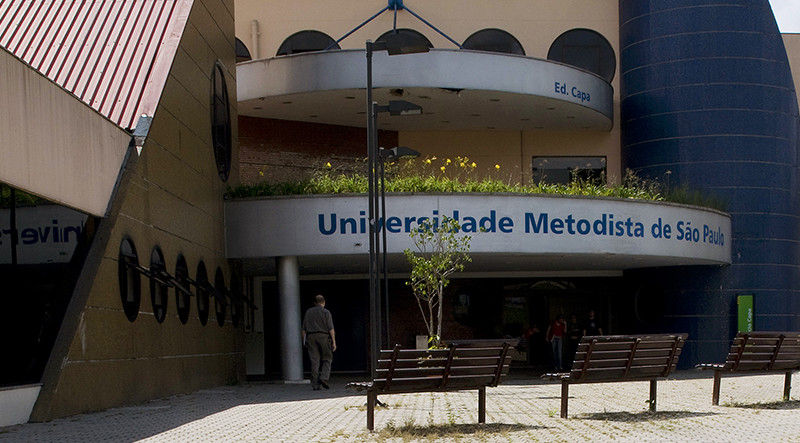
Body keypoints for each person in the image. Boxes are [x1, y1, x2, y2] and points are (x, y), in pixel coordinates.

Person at [302, 294, 336, 390]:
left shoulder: (308, 312)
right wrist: (334, 342)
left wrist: (304, 341)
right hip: (324, 336)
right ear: (324, 302)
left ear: (314, 303)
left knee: (314, 361)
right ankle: (324, 377)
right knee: (327, 358)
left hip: (311, 337)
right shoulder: (326, 312)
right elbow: (331, 328)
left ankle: (315, 384)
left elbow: (303, 329)